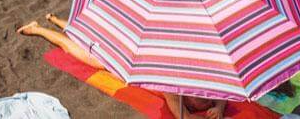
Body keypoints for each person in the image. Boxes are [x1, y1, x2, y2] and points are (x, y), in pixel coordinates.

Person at [18, 14, 230, 119]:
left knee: (94, 46)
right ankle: (40, 29)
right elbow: (184, 116)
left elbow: (221, 91)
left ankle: (57, 20)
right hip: (131, 64)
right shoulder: (173, 88)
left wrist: (219, 108)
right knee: (89, 56)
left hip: (139, 55)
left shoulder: (204, 75)